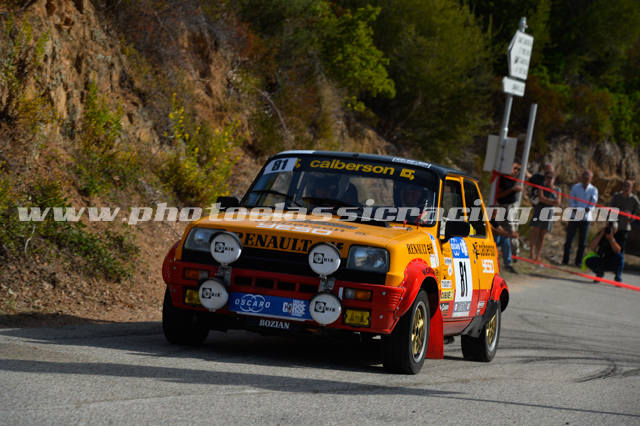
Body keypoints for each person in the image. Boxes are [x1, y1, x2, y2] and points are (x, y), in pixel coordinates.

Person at [563, 170, 598, 266]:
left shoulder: (593, 190)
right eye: (584, 177)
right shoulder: (575, 187)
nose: (586, 179)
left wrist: (585, 211)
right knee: (569, 240)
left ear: (591, 179)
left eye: (588, 177)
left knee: (582, 242)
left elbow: (593, 204)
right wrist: (576, 209)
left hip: (585, 218)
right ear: (581, 177)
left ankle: (578, 262)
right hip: (574, 216)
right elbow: (572, 200)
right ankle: (565, 260)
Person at [608, 179, 640, 280]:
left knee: (620, 251)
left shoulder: (634, 199)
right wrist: (611, 222)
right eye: (625, 185)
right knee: (609, 250)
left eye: (628, 186)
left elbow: (638, 210)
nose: (626, 188)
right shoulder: (616, 196)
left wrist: (632, 217)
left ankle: (618, 274)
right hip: (614, 227)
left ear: (631, 188)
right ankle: (603, 270)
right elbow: (610, 209)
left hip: (625, 228)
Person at [530, 172, 560, 264]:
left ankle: (538, 255)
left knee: (542, 235)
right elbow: (541, 198)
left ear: (554, 179)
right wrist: (551, 201)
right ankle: (532, 254)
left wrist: (547, 201)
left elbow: (558, 202)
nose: (549, 179)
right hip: (540, 209)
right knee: (535, 232)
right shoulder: (541, 186)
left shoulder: (558, 189)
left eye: (551, 177)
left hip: (549, 211)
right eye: (547, 177)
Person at [497, 161, 523, 259]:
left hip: (513, 206)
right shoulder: (502, 179)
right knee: (510, 231)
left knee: (514, 230)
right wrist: (512, 190)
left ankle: (514, 254)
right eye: (515, 168)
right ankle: (511, 254)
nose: (516, 171)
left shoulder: (513, 179)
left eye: (518, 169)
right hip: (505, 206)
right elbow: (499, 195)